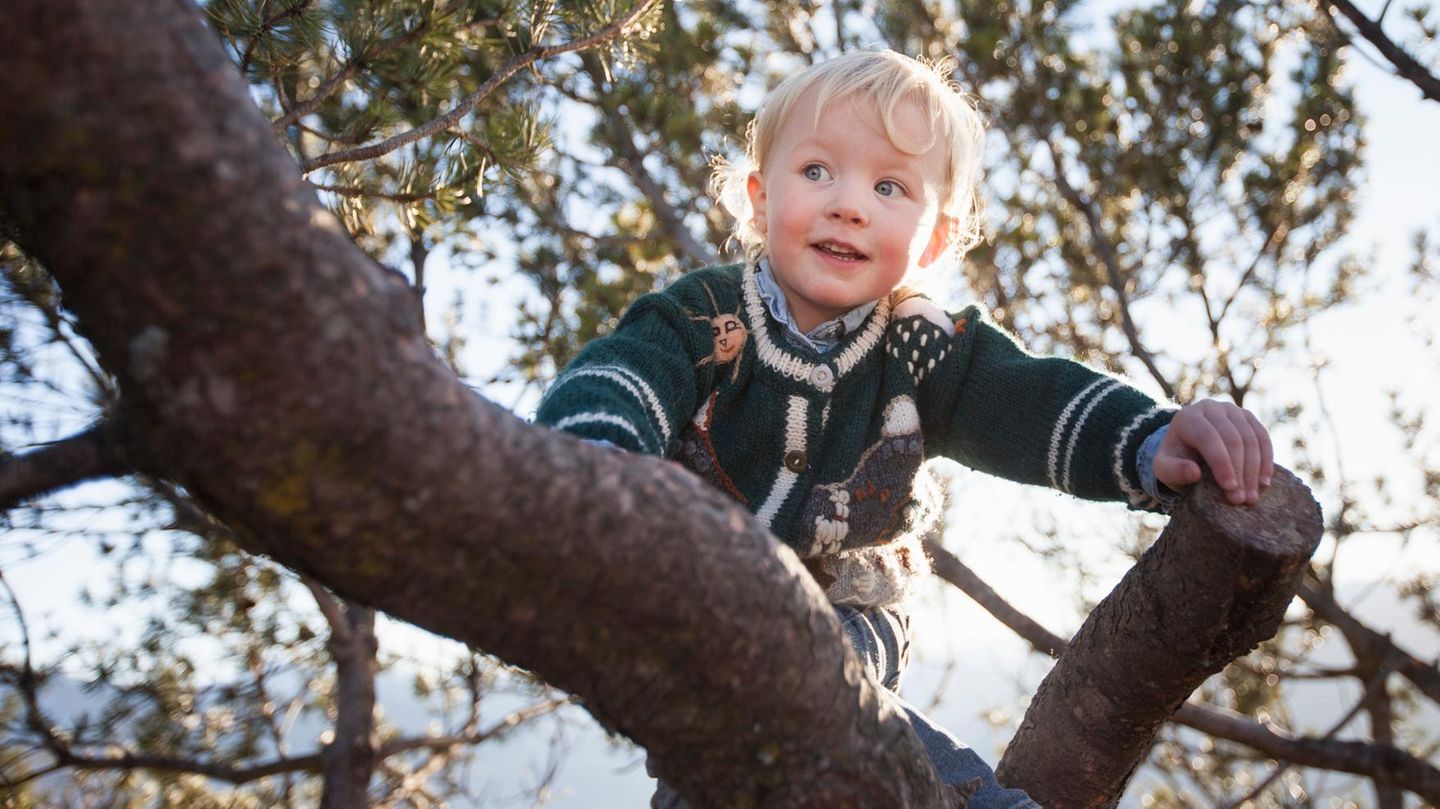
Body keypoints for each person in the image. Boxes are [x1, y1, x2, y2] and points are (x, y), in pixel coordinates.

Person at [535, 49, 1272, 807]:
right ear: (759, 200)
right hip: (701, 614)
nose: (848, 204)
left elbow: (1032, 402)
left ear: (932, 241)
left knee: (823, 702)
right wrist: (592, 469)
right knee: (722, 742)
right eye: (817, 171)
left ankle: (965, 797)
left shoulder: (924, 347)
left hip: (856, 614)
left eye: (889, 186)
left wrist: (1151, 441)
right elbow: (622, 379)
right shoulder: (704, 317)